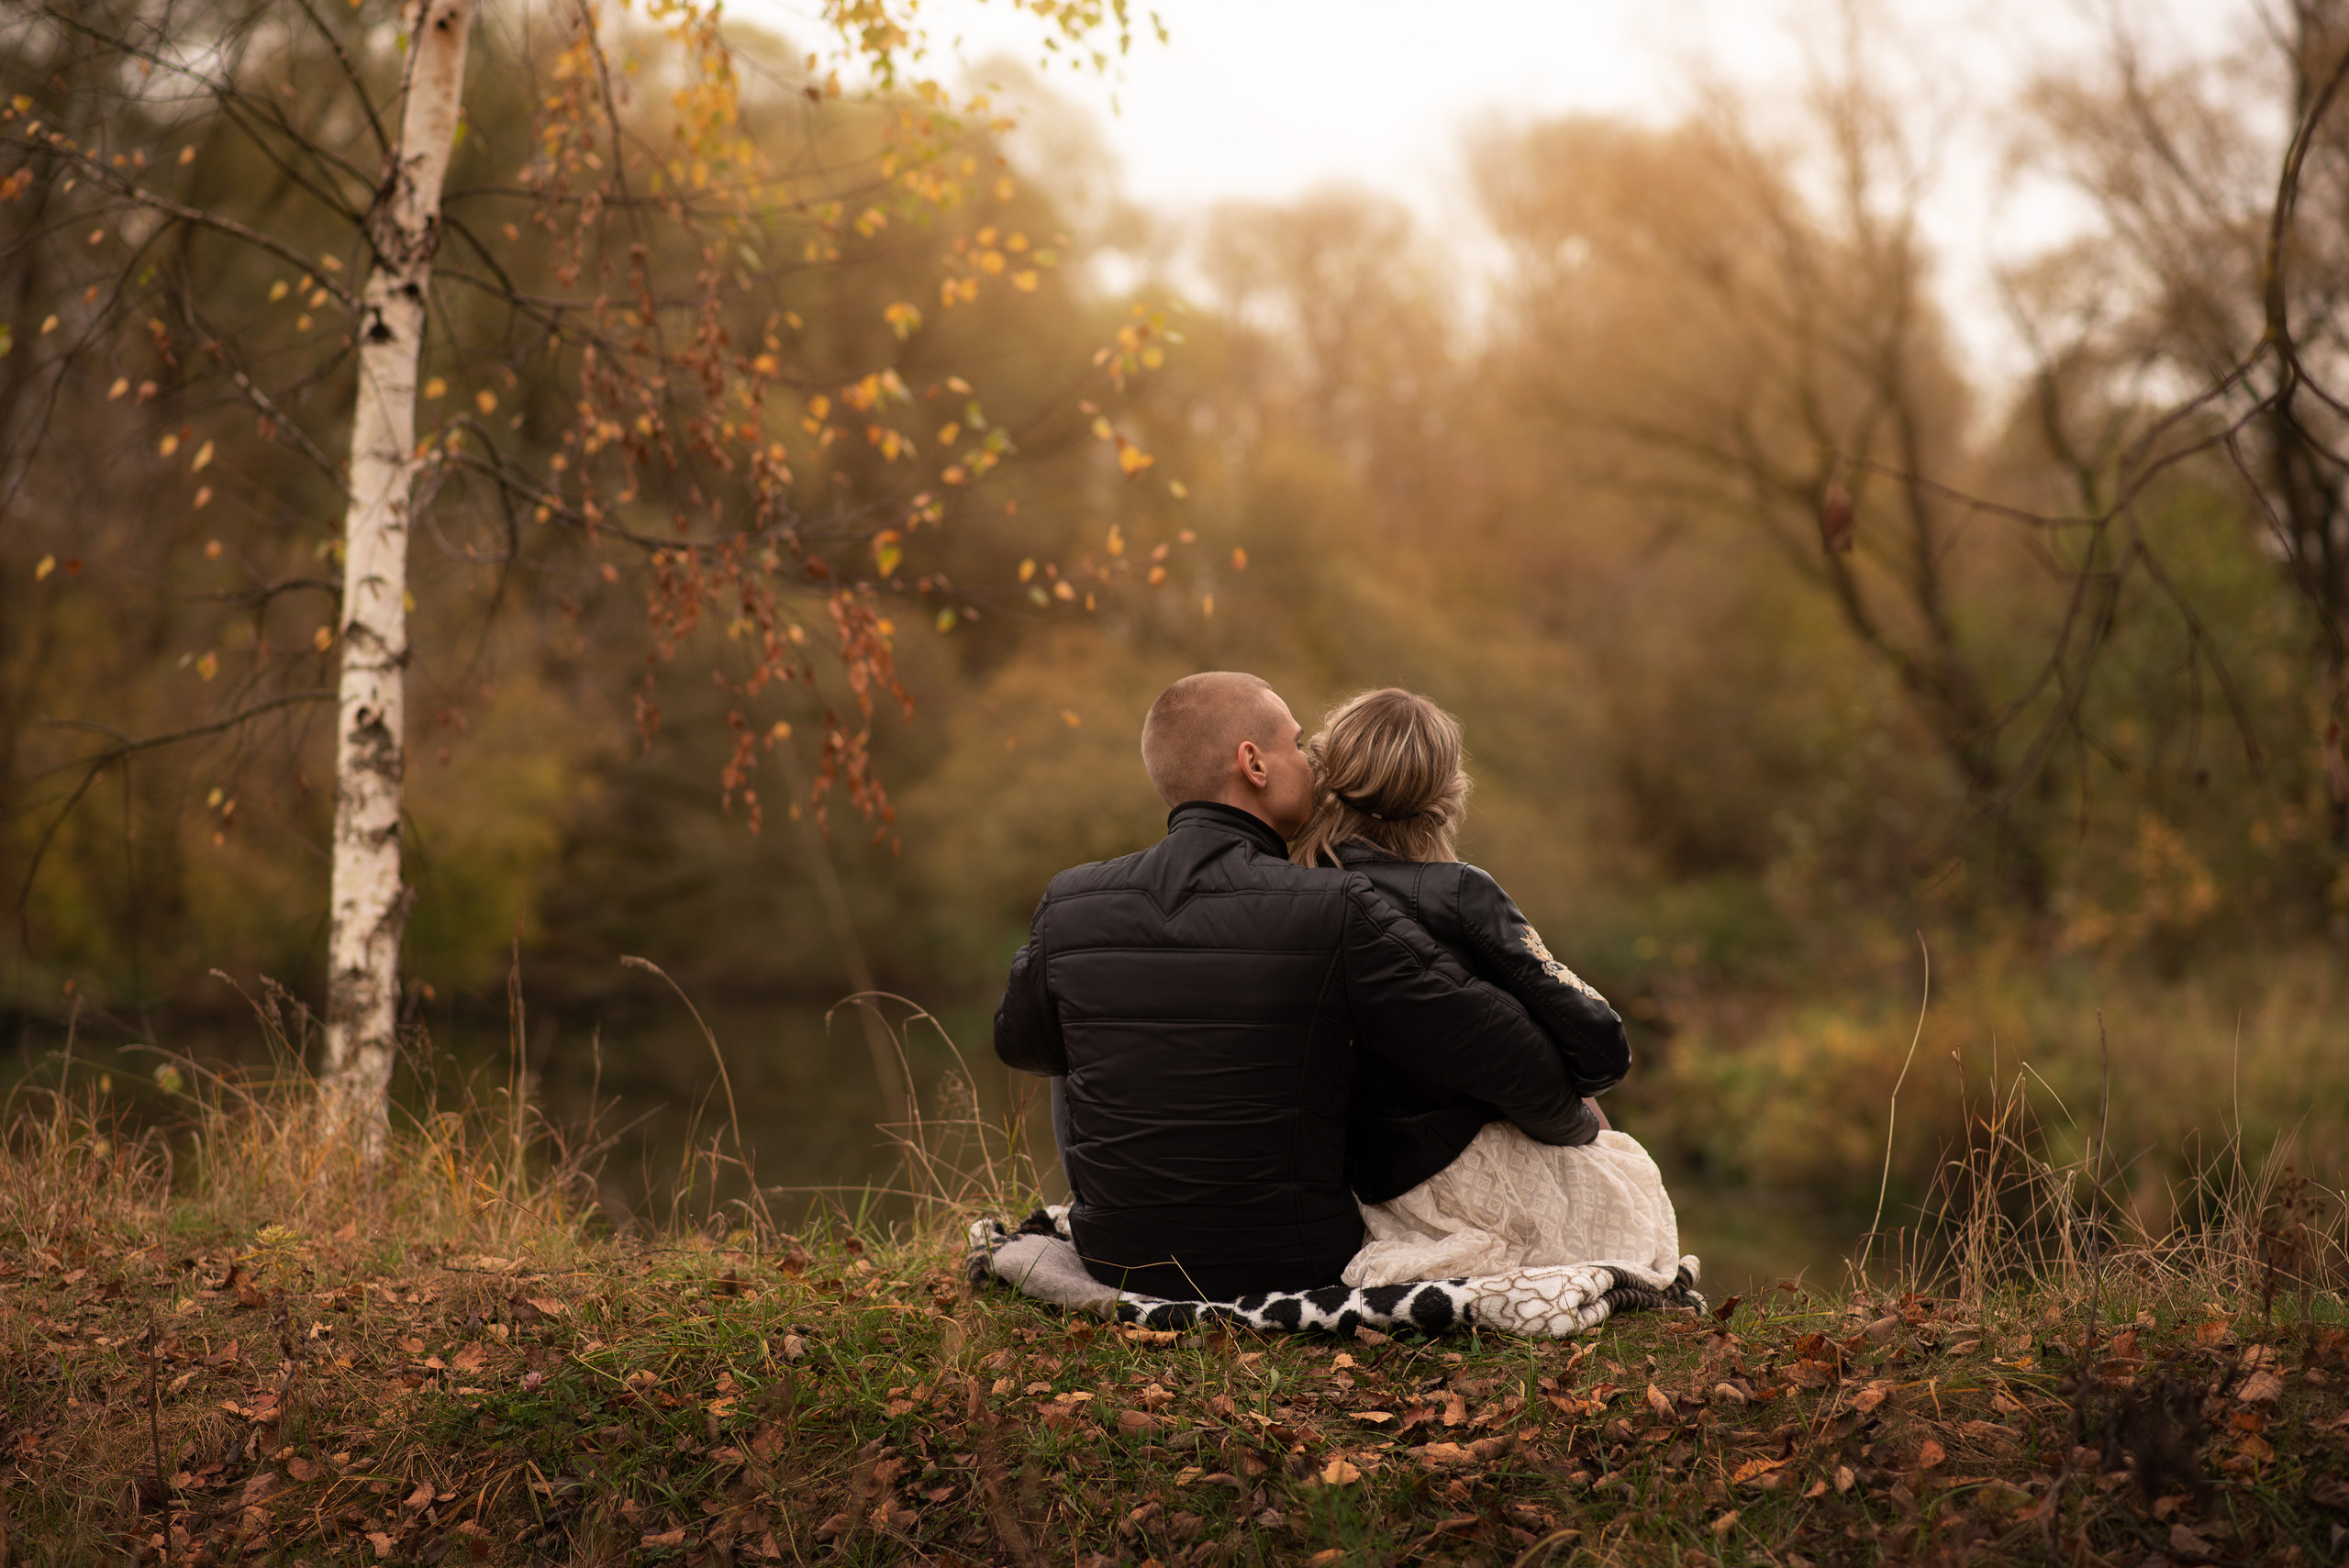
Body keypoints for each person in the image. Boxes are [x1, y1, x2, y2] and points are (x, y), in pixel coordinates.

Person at [993, 671, 1601, 1300]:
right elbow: (1513, 1058)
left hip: (1116, 1261)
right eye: (1297, 742)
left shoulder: (1071, 902)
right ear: (1253, 763)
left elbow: (1020, 1046)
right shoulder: (1333, 910)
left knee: (1069, 1022)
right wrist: (1581, 1129)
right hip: (1289, 1265)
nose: (1314, 763)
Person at [1290, 687, 1683, 1287]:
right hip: (1453, 1172)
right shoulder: (1459, 893)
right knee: (1632, 1173)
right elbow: (1601, 1046)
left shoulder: (1285, 893)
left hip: (1348, 1179)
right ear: (1447, 797)